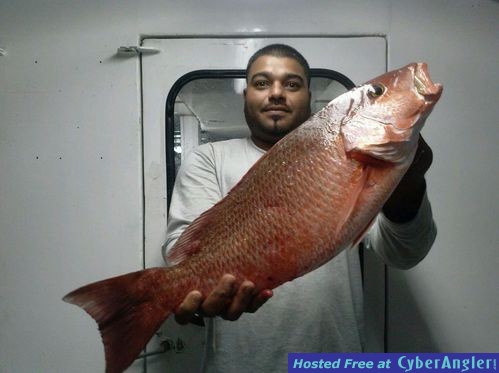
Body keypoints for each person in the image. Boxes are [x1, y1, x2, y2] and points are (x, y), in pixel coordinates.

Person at [164, 44, 436, 372]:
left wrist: (408, 182)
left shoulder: (355, 159)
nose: (276, 93)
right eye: (262, 83)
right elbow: (182, 250)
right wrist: (185, 289)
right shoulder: (209, 158)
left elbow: (404, 253)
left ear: (310, 96)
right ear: (245, 94)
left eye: (291, 84)